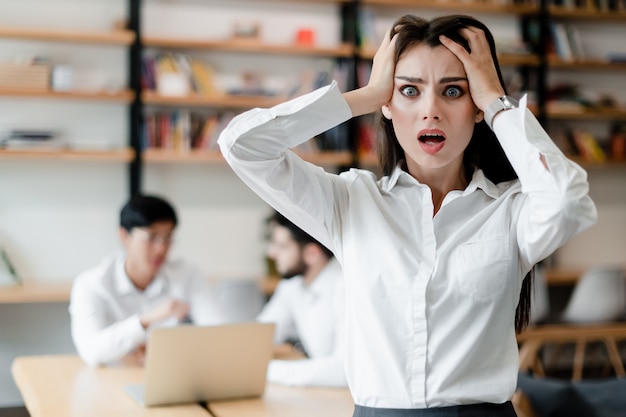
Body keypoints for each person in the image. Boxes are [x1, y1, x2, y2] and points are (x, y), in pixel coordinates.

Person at [218, 13, 597, 417]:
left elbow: (568, 200)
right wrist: (366, 95)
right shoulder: (350, 202)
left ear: (475, 108)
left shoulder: (511, 210)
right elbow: (242, 146)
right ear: (389, 104)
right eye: (410, 91)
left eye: (453, 91)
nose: (430, 110)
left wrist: (495, 102)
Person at [69, 194, 222, 367]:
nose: (161, 248)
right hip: (112, 379)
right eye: (152, 237)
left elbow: (218, 334)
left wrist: (164, 352)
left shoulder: (187, 274)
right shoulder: (91, 285)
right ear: (124, 236)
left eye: (168, 238)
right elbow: (91, 351)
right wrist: (147, 320)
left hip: (171, 374)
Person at [257, 211, 347, 387]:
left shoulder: (345, 285)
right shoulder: (292, 284)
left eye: (281, 246)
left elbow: (343, 371)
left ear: (312, 254)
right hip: (323, 393)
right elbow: (261, 336)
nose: (271, 253)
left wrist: (264, 370)